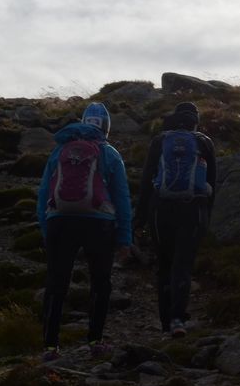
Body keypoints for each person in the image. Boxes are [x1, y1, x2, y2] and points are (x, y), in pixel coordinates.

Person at [35, 102, 133, 362]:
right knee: (100, 282)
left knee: (57, 282)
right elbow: (122, 198)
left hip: (60, 221)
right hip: (99, 223)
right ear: (106, 127)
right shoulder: (110, 153)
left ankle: (50, 347)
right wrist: (124, 239)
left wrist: (46, 227)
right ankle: (96, 341)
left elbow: (44, 192)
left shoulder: (59, 151)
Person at [136, 101, 216, 338]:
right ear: (195, 121)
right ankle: (178, 320)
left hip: (160, 211)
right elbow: (212, 181)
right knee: (182, 265)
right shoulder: (204, 142)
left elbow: (146, 181)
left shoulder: (160, 141)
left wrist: (139, 219)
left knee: (164, 266)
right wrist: (206, 218)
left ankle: (164, 323)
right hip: (192, 212)